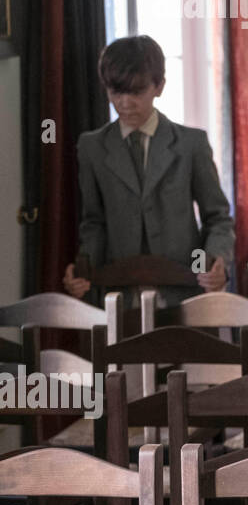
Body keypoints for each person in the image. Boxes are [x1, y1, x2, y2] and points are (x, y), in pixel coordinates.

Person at [63, 35, 232, 307]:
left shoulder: (191, 144)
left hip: (184, 293)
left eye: (136, 92)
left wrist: (210, 265)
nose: (125, 103)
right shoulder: (91, 146)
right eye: (116, 92)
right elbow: (93, 223)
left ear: (159, 87)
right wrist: (84, 272)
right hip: (118, 296)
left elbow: (217, 218)